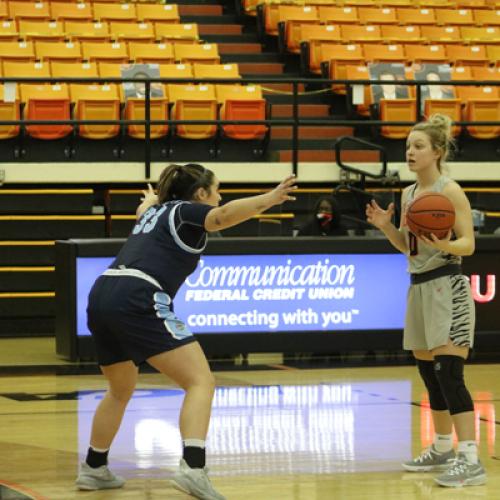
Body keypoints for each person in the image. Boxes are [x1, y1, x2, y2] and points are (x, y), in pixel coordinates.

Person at [75, 163, 297, 498]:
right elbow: (222, 217)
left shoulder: (157, 212)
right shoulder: (184, 211)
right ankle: (193, 468)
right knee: (200, 381)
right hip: (138, 295)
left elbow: (145, 208)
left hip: (102, 293)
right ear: (201, 194)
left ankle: (94, 467)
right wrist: (270, 198)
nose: (220, 197)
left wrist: (150, 199)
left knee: (120, 389)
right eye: (217, 190)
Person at [365, 114, 486, 488]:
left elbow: (468, 244)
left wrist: (443, 244)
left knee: (449, 372)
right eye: (407, 147)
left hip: (447, 286)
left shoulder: (451, 191)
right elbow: (407, 247)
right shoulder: (408, 194)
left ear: (437, 151)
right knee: (429, 375)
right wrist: (387, 227)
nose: (410, 152)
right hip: (417, 285)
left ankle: (470, 458)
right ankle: (443, 446)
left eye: (417, 146)